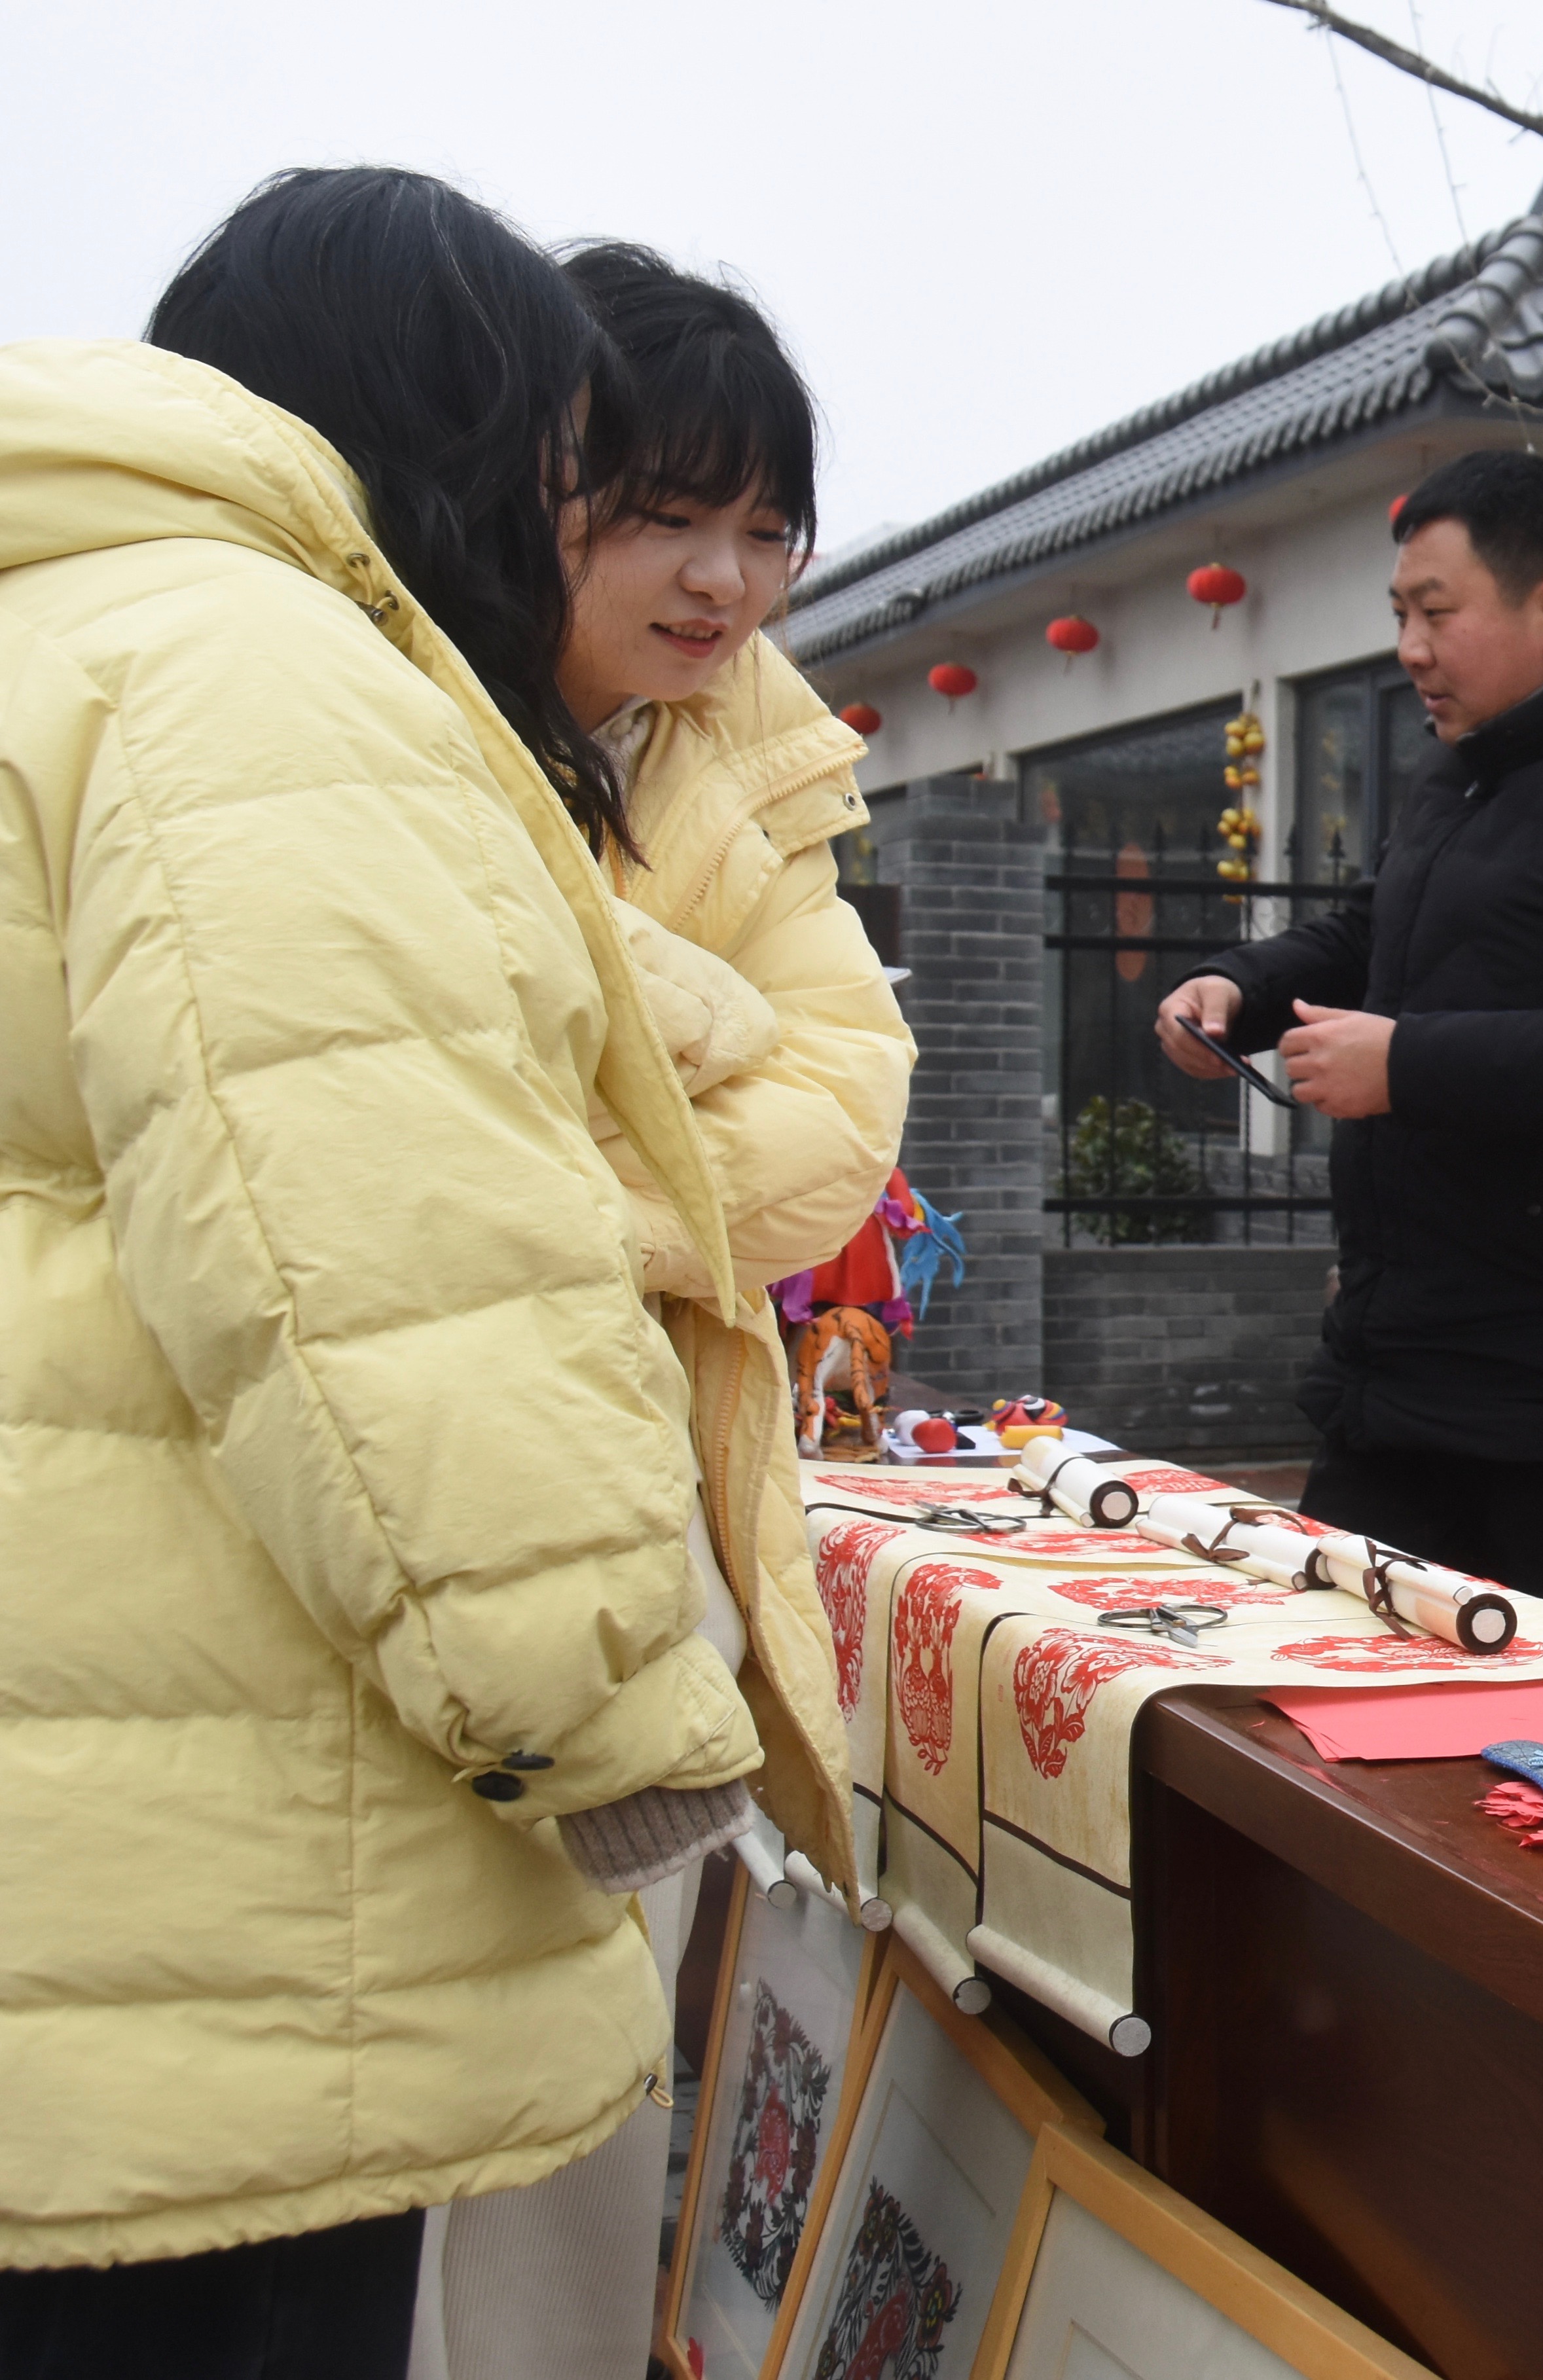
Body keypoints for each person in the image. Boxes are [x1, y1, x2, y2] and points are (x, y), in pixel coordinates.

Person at [0, 169, 759, 2368]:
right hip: (204, 1884)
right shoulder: (258, 672)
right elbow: (383, 1286)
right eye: (560, 464)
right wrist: (612, 1721)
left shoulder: (66, 625)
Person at [395, 242, 914, 2380]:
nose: (722, 580)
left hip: (646, 1488)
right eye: (664, 514)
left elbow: (843, 1112)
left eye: (766, 524)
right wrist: (682, 1030)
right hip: (428, 1469)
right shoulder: (396, 704)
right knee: (399, 2044)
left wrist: (576, 1188)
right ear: (539, 486)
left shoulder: (741, 750)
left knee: (598, 2058)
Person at [1152, 450, 1543, 1629]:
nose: (1411, 649)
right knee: (1332, 1708)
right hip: (1401, 1374)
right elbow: (1368, 933)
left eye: (1438, 613)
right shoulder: (1457, 778)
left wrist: (1408, 1068)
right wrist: (1237, 984)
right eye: (1401, 614)